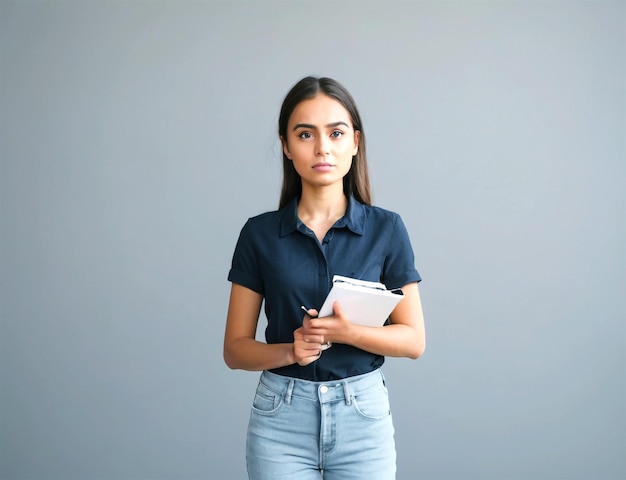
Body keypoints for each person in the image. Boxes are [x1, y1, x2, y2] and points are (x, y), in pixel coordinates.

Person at [224, 76, 425, 480]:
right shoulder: (259, 234)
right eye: (305, 134)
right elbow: (235, 349)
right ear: (286, 145)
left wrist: (348, 332)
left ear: (355, 142)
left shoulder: (387, 229)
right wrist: (290, 351)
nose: (322, 147)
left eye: (336, 133)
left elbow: (413, 340)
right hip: (281, 417)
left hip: (362, 419)